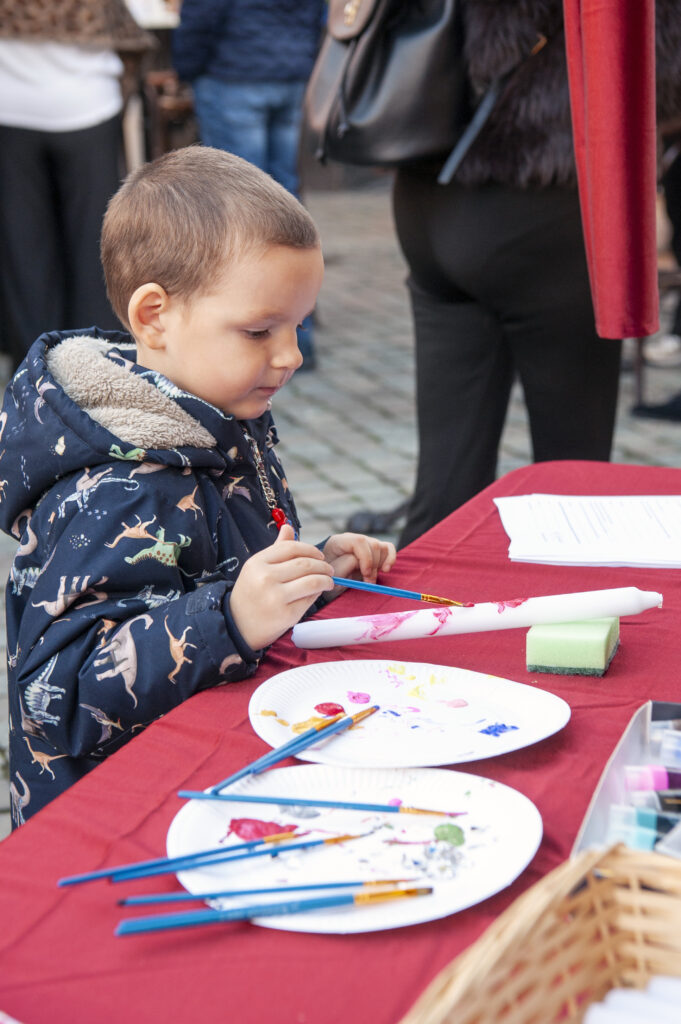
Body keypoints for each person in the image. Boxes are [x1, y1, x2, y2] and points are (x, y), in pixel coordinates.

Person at [0, 145, 396, 827]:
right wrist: (234, 618)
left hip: (194, 772)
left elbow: (210, 567)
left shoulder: (207, 412)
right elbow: (58, 696)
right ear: (153, 316)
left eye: (298, 325)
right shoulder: (117, 485)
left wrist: (306, 574)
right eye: (258, 329)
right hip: (112, 818)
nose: (291, 355)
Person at [352, 0, 681, 548]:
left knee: (444, 489)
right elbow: (659, 77)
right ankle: (567, 621)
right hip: (543, 201)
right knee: (574, 485)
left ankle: (420, 624)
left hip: (427, 194)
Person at [171, 0, 326, 368]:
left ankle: (257, 331)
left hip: (232, 75)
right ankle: (299, 322)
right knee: (284, 199)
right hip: (289, 75)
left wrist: (188, 70)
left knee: (241, 209)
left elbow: (202, 16)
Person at [0, 0, 154, 371]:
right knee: (95, 243)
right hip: (88, 103)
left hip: (11, 106)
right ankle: (91, 355)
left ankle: (33, 362)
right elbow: (135, 23)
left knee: (23, 245)